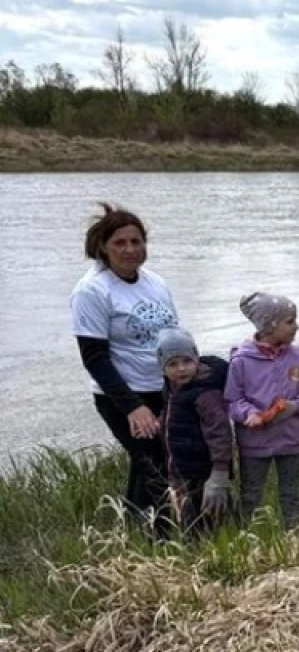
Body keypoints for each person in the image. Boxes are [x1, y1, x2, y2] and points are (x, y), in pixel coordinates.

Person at [70, 203, 179, 534]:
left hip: (164, 387)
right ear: (102, 246)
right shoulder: (92, 290)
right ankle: (161, 539)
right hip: (122, 395)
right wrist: (133, 407)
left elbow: (174, 337)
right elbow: (94, 358)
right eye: (120, 242)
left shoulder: (155, 282)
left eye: (136, 241)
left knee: (156, 461)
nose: (130, 250)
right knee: (153, 464)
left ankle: (133, 528)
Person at [225, 292, 299, 528]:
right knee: (250, 494)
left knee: (292, 493)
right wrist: (249, 414)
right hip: (255, 444)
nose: (296, 326)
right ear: (269, 326)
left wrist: (295, 406)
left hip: (292, 441)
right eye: (289, 322)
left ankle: (296, 534)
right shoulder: (241, 361)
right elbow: (232, 400)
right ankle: (246, 536)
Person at [155, 327, 233, 535]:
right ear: (162, 367)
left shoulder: (206, 394)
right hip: (182, 472)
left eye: (187, 361)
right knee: (189, 526)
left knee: (213, 523)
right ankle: (197, 557)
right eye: (173, 364)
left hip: (204, 474)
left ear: (197, 359)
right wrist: (162, 423)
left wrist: (219, 474)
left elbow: (220, 432)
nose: (181, 369)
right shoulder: (172, 389)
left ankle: (223, 558)